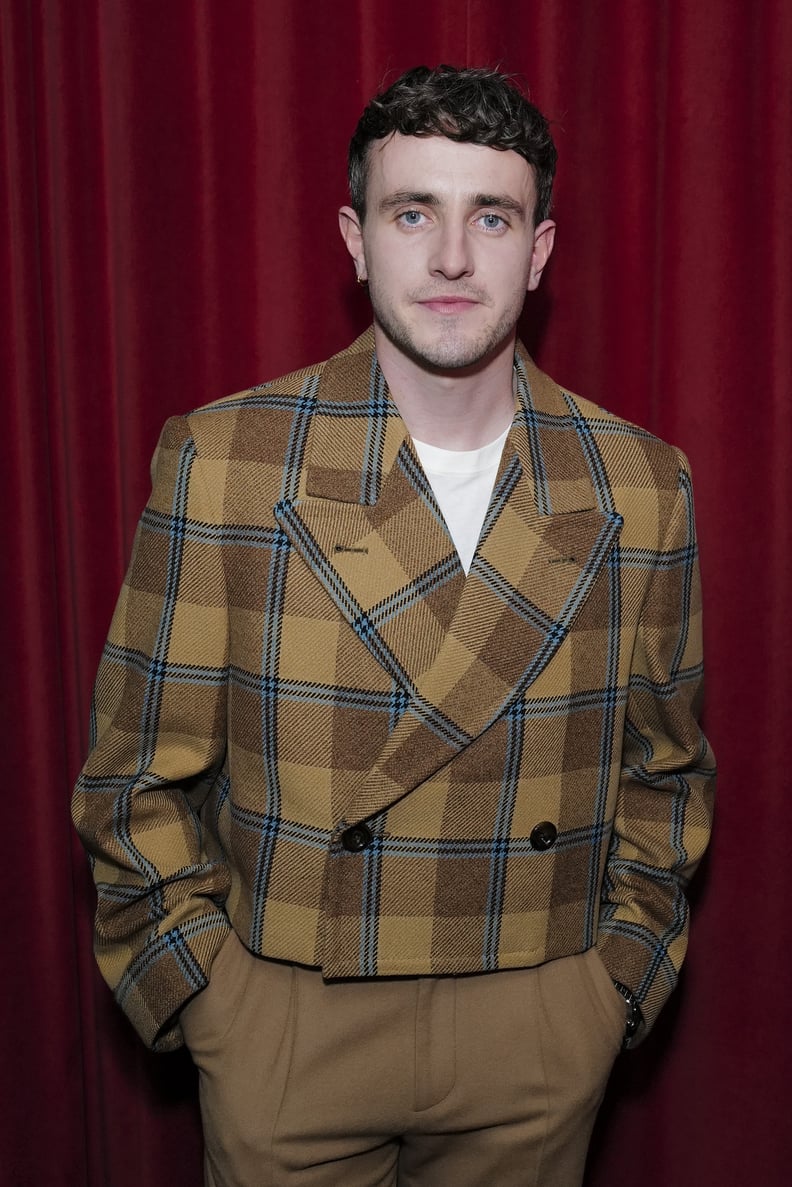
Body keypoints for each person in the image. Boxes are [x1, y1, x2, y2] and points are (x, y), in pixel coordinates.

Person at [73, 65, 716, 1186]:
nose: (454, 257)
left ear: (541, 248)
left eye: (492, 217)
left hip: (537, 1021)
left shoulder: (640, 485)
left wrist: (611, 983)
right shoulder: (226, 460)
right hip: (291, 1019)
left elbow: (666, 772)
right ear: (356, 237)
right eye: (413, 212)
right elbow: (132, 780)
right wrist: (210, 997)